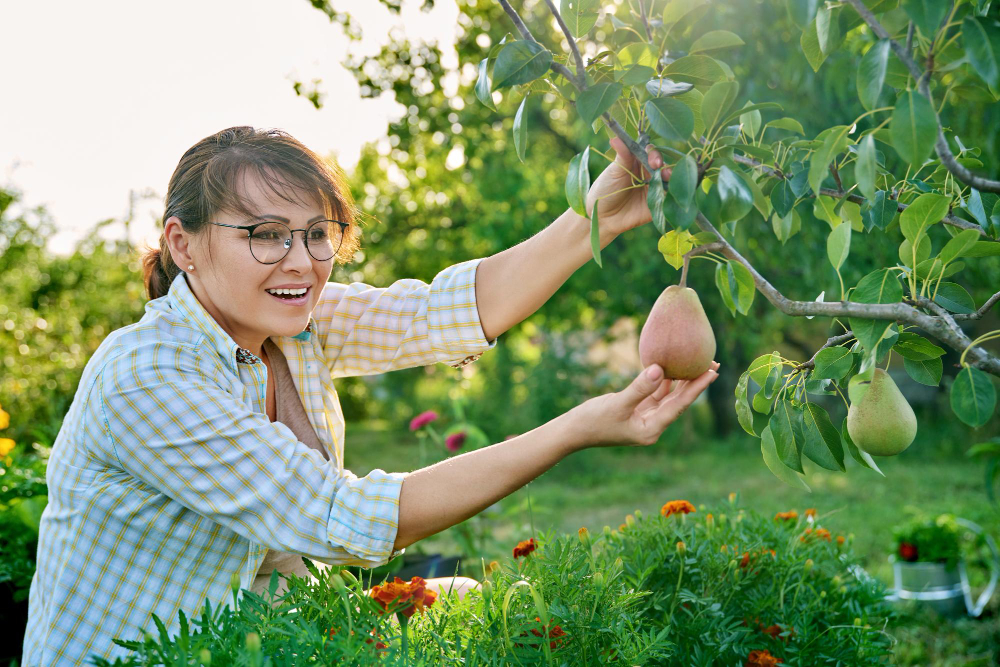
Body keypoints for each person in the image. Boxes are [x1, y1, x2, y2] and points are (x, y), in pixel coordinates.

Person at [21, 126, 718, 665]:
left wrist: (598, 210)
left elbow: (446, 312)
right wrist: (575, 427)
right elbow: (345, 518)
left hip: (259, 640)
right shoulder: (148, 377)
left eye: (317, 234)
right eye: (265, 235)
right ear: (184, 243)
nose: (301, 260)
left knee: (473, 605)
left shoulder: (292, 324)